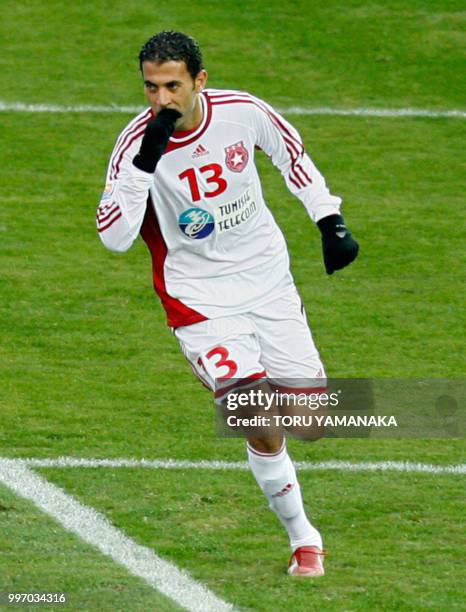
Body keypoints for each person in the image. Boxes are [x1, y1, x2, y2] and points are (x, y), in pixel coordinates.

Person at [96, 30, 358, 577]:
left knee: (309, 420)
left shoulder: (242, 112)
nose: (161, 100)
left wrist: (329, 222)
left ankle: (245, 389)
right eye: (150, 88)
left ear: (199, 81)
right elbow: (115, 237)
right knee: (255, 413)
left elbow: (294, 158)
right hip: (199, 299)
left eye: (172, 86)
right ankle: (303, 537)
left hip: (266, 281)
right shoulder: (135, 146)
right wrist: (145, 164)